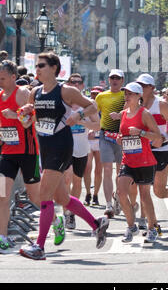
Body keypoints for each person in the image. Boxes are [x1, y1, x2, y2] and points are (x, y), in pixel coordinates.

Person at [19, 52, 109, 260]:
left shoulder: (65, 90)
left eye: (41, 65)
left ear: (53, 68)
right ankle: (97, 224)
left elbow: (93, 105)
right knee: (62, 198)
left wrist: (78, 115)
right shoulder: (35, 92)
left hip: (61, 146)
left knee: (44, 195)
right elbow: (27, 122)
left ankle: (39, 247)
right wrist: (25, 113)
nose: (37, 69)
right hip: (46, 148)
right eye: (36, 66)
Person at [0, 60, 40, 253]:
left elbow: (31, 119)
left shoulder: (23, 93)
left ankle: (55, 218)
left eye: (2, 78)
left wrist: (14, 115)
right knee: (2, 195)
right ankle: (3, 237)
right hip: (7, 152)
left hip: (27, 151)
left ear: (13, 77)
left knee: (36, 197)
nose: (0, 81)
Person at [136, 74, 168, 228]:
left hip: (160, 150)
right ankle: (147, 221)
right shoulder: (133, 105)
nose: (140, 88)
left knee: (158, 191)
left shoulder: (161, 105)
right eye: (138, 85)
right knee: (143, 188)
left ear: (152, 88)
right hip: (140, 151)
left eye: (143, 85)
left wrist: (163, 139)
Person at [116, 82, 162, 244]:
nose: (126, 96)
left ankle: (152, 228)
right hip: (128, 160)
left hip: (144, 160)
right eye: (125, 93)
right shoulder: (123, 114)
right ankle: (131, 226)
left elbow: (157, 136)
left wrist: (141, 132)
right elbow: (123, 136)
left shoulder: (145, 114)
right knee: (121, 193)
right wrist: (120, 139)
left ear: (138, 96)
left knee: (144, 196)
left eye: (130, 94)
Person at [64, 74, 100, 229]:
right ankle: (66, 213)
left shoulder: (89, 104)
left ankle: (71, 212)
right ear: (68, 84)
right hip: (64, 147)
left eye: (79, 82)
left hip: (82, 147)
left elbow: (97, 126)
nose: (76, 84)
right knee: (67, 178)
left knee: (77, 181)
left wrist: (81, 121)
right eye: (73, 82)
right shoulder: (62, 102)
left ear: (82, 85)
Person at [95, 69, 125, 218]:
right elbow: (94, 113)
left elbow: (134, 111)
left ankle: (118, 198)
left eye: (117, 78)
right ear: (108, 80)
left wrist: (120, 115)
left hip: (121, 138)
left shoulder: (126, 95)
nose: (114, 80)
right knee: (107, 169)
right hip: (105, 136)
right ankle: (108, 205)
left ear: (122, 81)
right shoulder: (101, 96)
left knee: (121, 172)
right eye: (112, 78)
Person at [84, 86, 104, 207]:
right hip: (89, 141)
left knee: (98, 170)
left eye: (97, 94)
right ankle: (87, 193)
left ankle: (96, 195)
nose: (94, 96)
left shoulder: (104, 108)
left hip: (101, 141)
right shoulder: (87, 106)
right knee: (87, 168)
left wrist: (97, 131)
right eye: (92, 94)